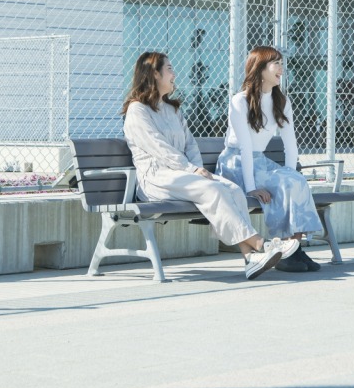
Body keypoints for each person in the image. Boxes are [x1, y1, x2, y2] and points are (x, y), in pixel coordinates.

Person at [121, 51, 295, 280]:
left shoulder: (172, 109)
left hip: (183, 175)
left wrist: (196, 168)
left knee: (233, 189)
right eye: (169, 69)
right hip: (156, 179)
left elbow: (190, 144)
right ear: (154, 74)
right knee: (212, 190)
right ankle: (261, 244)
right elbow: (158, 148)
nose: (174, 74)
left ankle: (250, 259)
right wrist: (192, 170)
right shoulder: (137, 110)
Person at [219, 46, 323, 272]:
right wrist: (251, 188)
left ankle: (293, 248)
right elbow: (245, 147)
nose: (281, 68)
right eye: (276, 63)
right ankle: (286, 252)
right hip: (235, 163)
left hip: (259, 162)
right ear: (259, 68)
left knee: (295, 181)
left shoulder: (282, 102)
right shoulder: (240, 101)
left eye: (282, 63)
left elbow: (290, 144)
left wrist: (291, 174)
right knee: (285, 183)